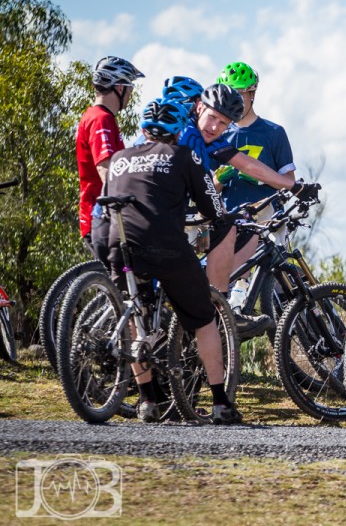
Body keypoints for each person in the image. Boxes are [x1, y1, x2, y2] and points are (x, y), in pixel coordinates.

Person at [104, 99, 241, 425]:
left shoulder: (120, 159)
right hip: (165, 245)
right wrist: (220, 221)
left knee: (137, 316)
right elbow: (211, 205)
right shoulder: (184, 154)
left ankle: (148, 401)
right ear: (180, 130)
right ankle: (221, 402)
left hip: (119, 246)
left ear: (142, 130)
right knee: (203, 317)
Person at [213, 61, 297, 279]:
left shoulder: (274, 132)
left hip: (269, 219)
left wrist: (263, 179)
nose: (235, 101)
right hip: (232, 220)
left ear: (253, 93)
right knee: (236, 284)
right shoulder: (219, 135)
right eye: (230, 95)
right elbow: (207, 188)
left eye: (240, 94)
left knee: (277, 283)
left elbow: (289, 180)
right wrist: (221, 178)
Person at [77, 56, 143, 262]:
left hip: (101, 214)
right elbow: (105, 168)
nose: (131, 94)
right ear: (119, 88)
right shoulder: (100, 119)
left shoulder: (97, 116)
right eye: (130, 88)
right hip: (103, 215)